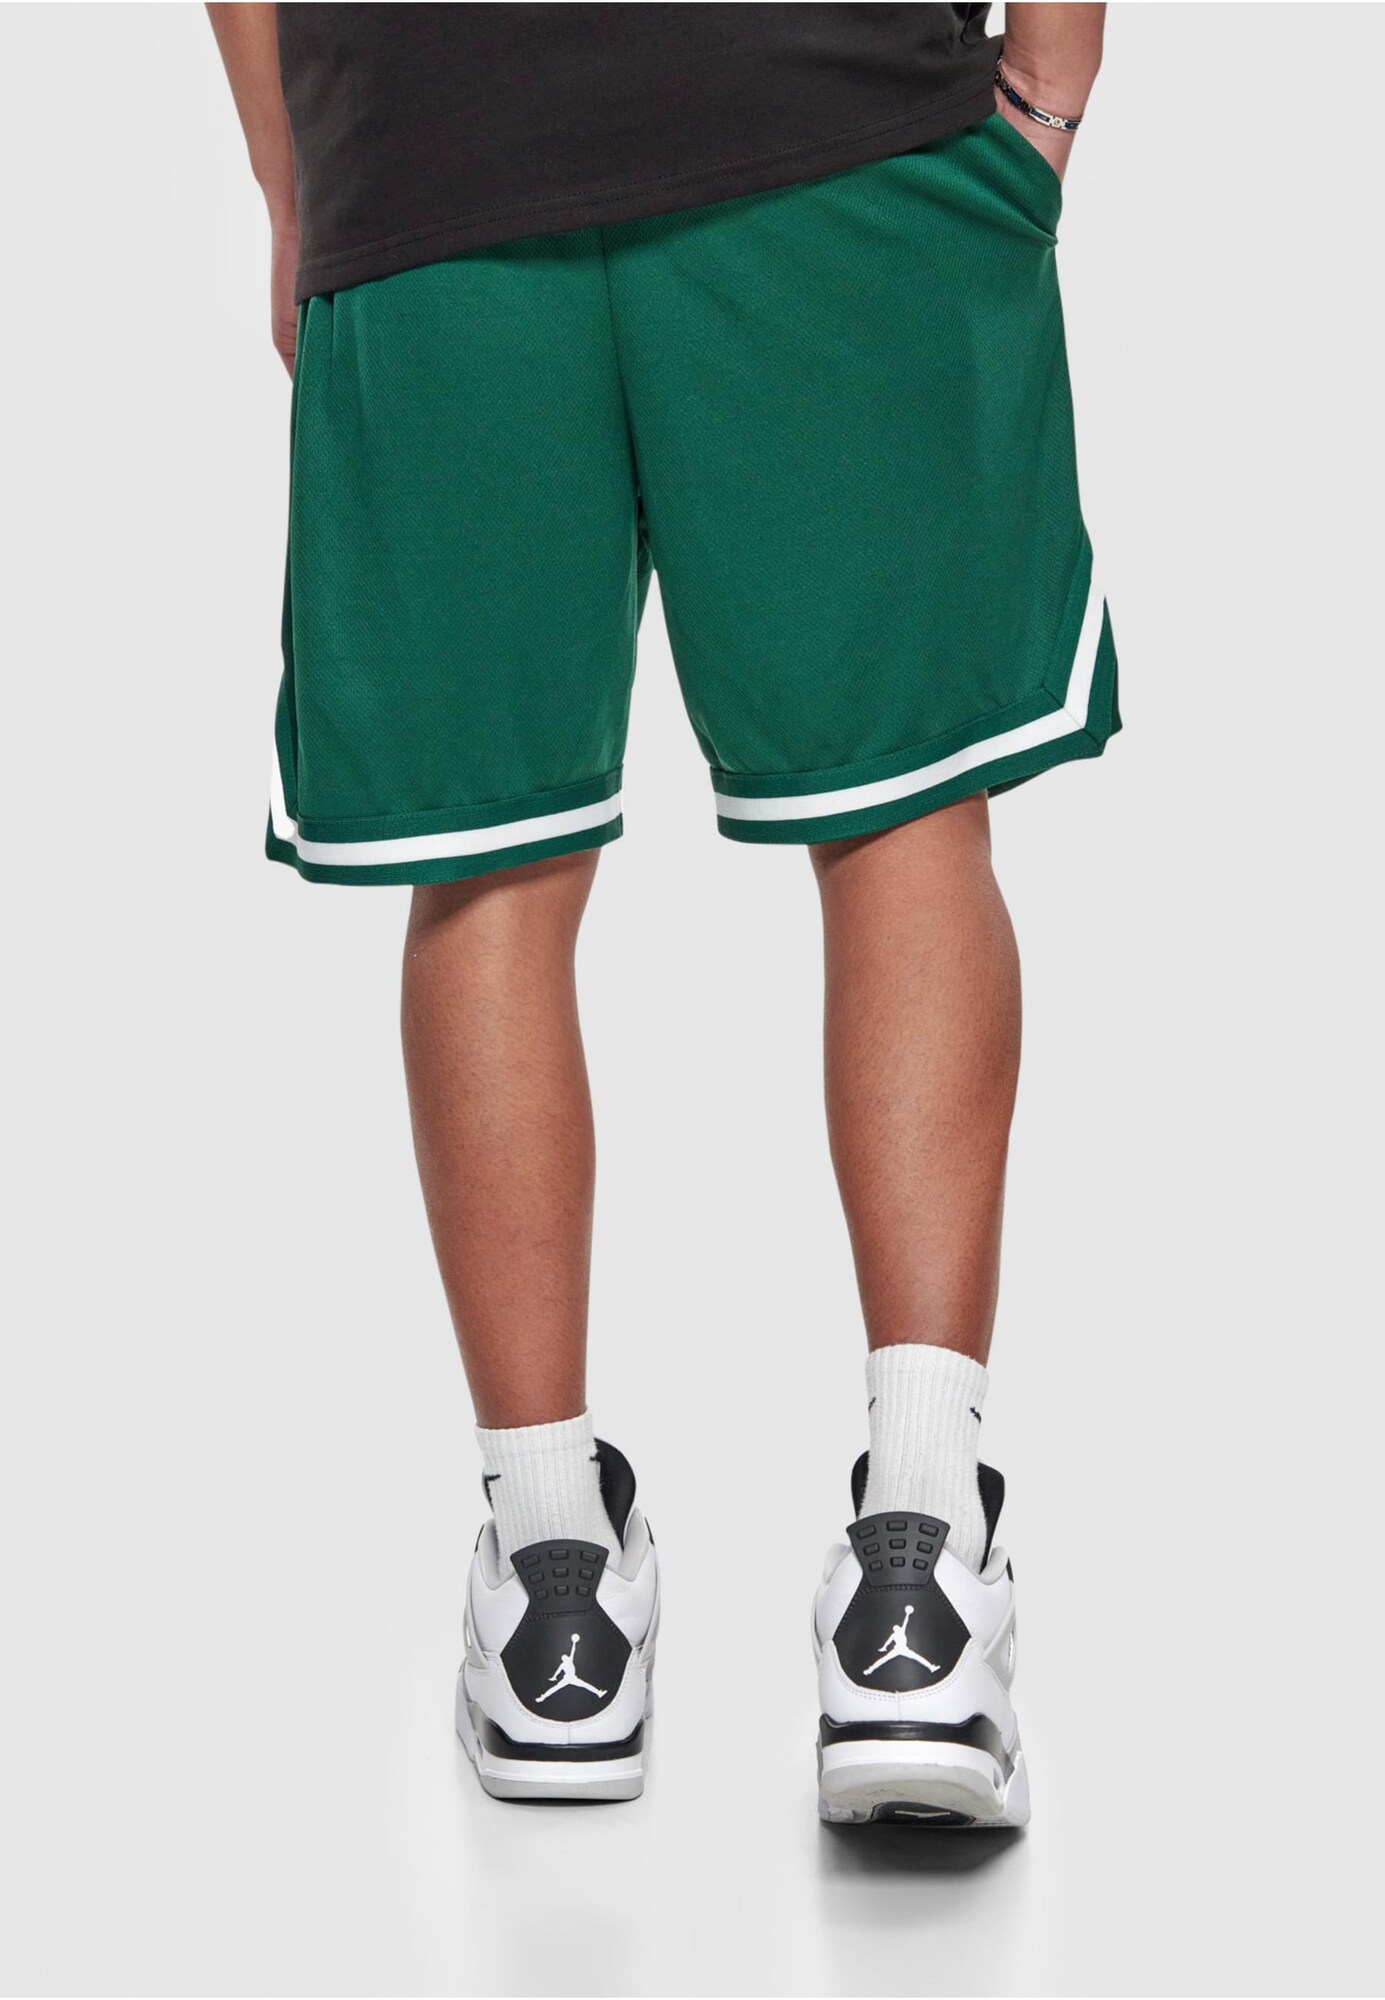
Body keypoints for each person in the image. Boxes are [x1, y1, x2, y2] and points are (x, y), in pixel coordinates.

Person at [209, 1, 1115, 1825]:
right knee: (902, 809)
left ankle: (556, 1584)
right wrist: (1053, 76)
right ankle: (919, 1575)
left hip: (428, 130)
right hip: (827, 107)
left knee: (492, 859)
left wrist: (304, 181)